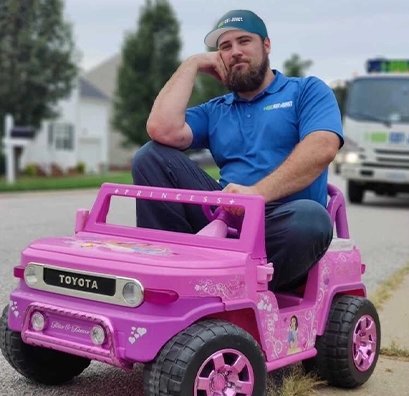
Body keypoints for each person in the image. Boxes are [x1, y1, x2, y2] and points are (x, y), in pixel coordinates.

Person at [131, 9, 343, 292]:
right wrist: (191, 64)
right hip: (222, 218)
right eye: (225, 47)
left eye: (244, 41)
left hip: (279, 222)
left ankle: (234, 288)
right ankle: (171, 273)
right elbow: (161, 128)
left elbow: (323, 147)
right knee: (150, 156)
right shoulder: (216, 110)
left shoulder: (306, 91)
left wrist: (256, 194)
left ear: (266, 45)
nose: (235, 52)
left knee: (312, 220)